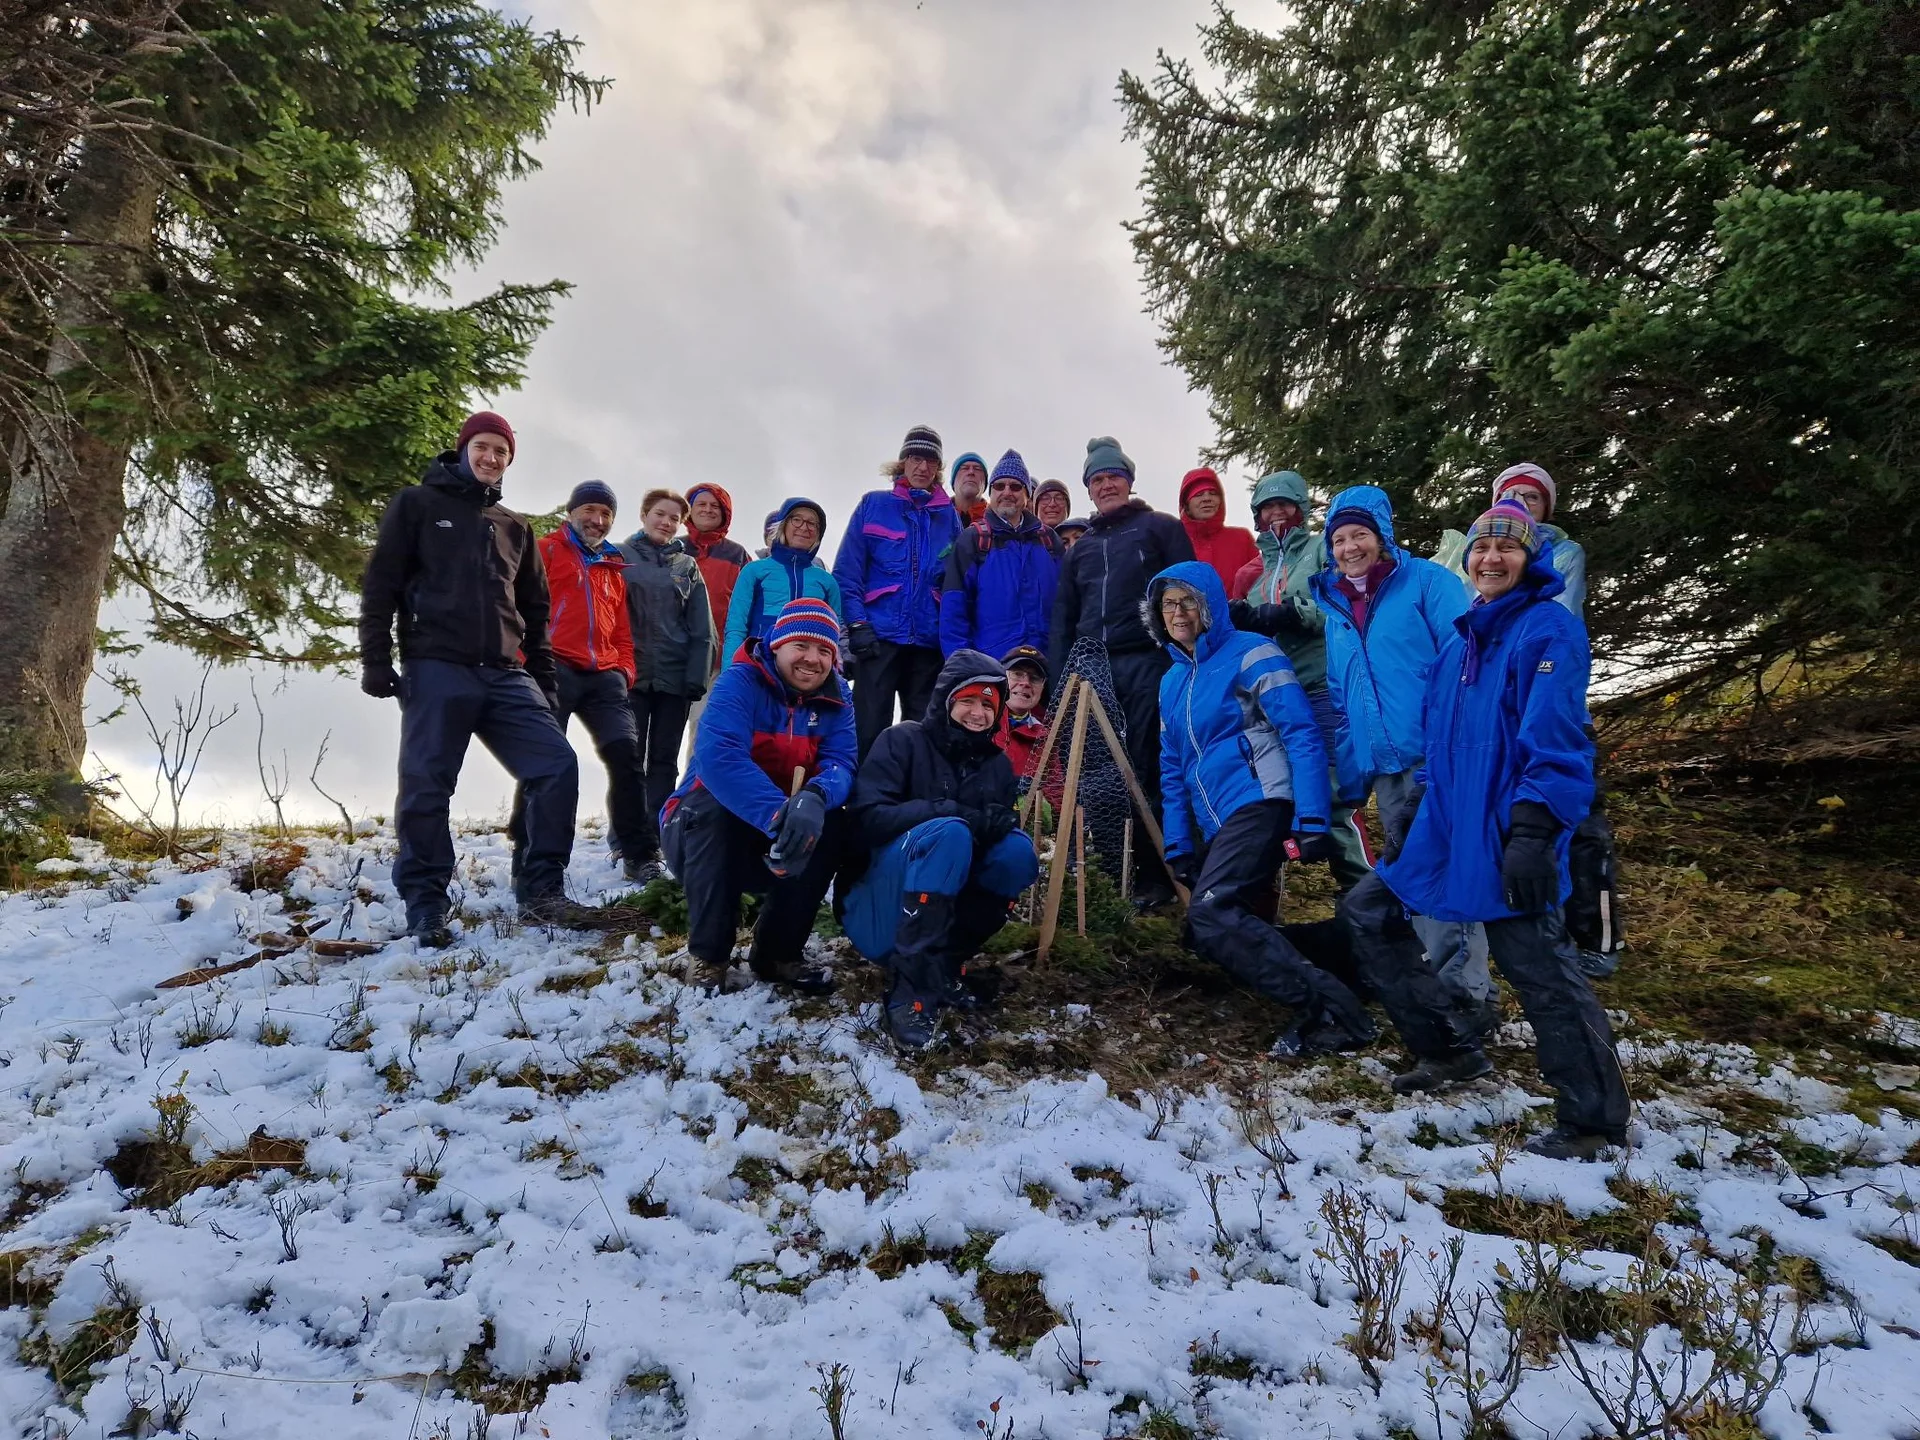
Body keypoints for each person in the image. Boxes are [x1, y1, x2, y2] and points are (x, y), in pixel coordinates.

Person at [1340, 499, 1630, 1160]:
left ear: (1530, 559)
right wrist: (1417, 823)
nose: (1492, 558)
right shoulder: (1459, 642)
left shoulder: (1547, 630)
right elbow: (1442, 747)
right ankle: (1448, 1050)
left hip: (1507, 828)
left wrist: (1532, 833)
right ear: (1468, 559)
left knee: (1540, 969)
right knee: (1368, 912)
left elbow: (1558, 745)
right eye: (1481, 548)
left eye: (1508, 547)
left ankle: (1594, 1120)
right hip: (1445, 825)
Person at [359, 411, 580, 943]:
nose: (491, 458)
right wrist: (375, 658)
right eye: (483, 446)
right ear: (463, 449)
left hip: (505, 673)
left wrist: (544, 683)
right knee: (427, 786)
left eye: (501, 452)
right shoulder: (416, 505)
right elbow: (381, 583)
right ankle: (427, 902)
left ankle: (541, 889)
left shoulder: (514, 526)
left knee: (556, 765)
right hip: (436, 666)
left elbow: (534, 610)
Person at [1148, 561, 1377, 1056]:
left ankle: (1335, 1011)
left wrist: (1312, 815)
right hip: (1218, 817)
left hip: (1262, 798)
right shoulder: (1171, 682)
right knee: (1203, 932)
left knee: (1214, 911)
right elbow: (1171, 767)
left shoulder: (1253, 652)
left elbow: (1301, 732)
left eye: (1189, 600)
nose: (1179, 612)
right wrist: (1179, 844)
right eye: (1169, 604)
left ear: (1209, 604)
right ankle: (1355, 957)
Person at [1308, 485, 1483, 999]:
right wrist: (1354, 773)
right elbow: (1342, 698)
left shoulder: (1428, 583)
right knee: (1415, 875)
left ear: (1382, 536)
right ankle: (1442, 986)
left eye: (1359, 534)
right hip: (1386, 767)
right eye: (1338, 539)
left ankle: (1465, 996)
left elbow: (1465, 667)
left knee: (1445, 874)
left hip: (1437, 756)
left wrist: (1446, 755)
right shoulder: (1337, 606)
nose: (1349, 548)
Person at [842, 651, 1039, 1049]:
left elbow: (986, 843)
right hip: (877, 907)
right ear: (946, 699)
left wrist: (997, 825)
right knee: (949, 833)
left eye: (988, 704)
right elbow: (868, 819)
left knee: (1016, 853)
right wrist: (952, 813)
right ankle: (909, 992)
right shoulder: (902, 740)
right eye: (967, 700)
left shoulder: (997, 766)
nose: (978, 712)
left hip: (941, 901)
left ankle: (945, 964)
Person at [660, 596, 855, 994]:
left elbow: (842, 762)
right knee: (712, 808)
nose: (812, 659)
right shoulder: (739, 681)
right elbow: (719, 758)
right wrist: (779, 815)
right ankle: (709, 956)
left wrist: (816, 797)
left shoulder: (838, 698)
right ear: (777, 644)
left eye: (823, 650)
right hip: (698, 829)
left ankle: (777, 953)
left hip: (775, 837)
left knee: (834, 824)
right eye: (801, 645)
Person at [1048, 435, 1195, 905]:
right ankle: (1118, 876)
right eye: (1097, 479)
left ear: (1129, 481)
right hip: (1092, 669)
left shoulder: (1160, 528)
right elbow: (1063, 622)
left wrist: (1189, 657)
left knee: (1150, 767)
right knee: (1100, 775)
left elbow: (1189, 593)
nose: (1106, 484)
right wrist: (1061, 680)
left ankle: (1160, 877)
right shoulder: (1079, 551)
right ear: (1089, 490)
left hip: (1150, 661)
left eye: (1114, 476)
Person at [1226, 471, 1371, 889]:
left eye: (1283, 505)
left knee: (1335, 795)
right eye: (1266, 507)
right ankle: (1262, 910)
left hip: (1321, 684)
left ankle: (1364, 907)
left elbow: (1344, 605)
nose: (1275, 513)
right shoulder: (1251, 573)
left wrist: (1295, 612)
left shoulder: (1323, 550)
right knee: (1273, 797)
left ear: (1301, 508)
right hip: (1271, 699)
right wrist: (1244, 622)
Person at [506, 480, 649, 885]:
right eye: (590, 510)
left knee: (626, 755)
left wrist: (624, 671)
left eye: (605, 515)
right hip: (553, 667)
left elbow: (622, 630)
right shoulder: (547, 550)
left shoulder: (613, 565)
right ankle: (528, 853)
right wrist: (526, 662)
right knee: (547, 763)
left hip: (605, 676)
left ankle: (639, 854)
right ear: (572, 512)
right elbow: (519, 609)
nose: (597, 520)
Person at [834, 424, 961, 756]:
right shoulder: (872, 505)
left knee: (922, 732)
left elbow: (957, 584)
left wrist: (950, 639)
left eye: (931, 461)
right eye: (916, 458)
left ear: (938, 469)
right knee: (868, 727)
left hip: (928, 644)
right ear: (902, 462)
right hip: (878, 638)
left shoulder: (949, 516)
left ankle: (911, 802)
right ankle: (860, 804)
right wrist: (857, 625)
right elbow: (847, 574)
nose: (923, 467)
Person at [616, 489, 712, 884]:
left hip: (674, 679)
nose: (666, 522)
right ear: (643, 514)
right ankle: (628, 841)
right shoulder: (620, 556)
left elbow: (702, 627)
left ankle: (655, 841)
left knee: (664, 762)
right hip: (631, 676)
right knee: (628, 761)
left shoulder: (687, 566)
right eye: (660, 514)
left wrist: (697, 677)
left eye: (674, 518)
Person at [939, 449, 1061, 659]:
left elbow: (1067, 606)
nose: (1007, 492)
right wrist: (963, 666)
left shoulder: (1049, 540)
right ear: (991, 493)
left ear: (1027, 495)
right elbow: (953, 610)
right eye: (999, 486)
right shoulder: (973, 539)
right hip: (992, 668)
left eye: (1015, 486)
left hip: (1046, 666)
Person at [724, 498, 842, 665]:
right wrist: (731, 671)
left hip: (807, 669)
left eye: (812, 523)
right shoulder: (754, 571)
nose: (804, 527)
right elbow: (736, 627)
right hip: (759, 664)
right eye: (796, 519)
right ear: (783, 525)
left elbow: (836, 632)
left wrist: (835, 672)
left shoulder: (827, 581)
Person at [682, 483, 753, 750]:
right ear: (689, 509)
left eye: (715, 506)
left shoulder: (737, 555)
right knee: (656, 736)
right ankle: (646, 794)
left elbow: (748, 606)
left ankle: (693, 792)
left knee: (703, 733)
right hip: (670, 657)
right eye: (701, 504)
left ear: (725, 513)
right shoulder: (671, 548)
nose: (708, 510)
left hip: (715, 662)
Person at [1180, 467, 1259, 596]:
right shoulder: (1175, 542)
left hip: (1236, 615)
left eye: (1213, 493)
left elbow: (1259, 585)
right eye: (1198, 494)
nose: (1207, 498)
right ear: (1186, 505)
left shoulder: (1241, 539)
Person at [997, 645, 1050, 783]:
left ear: (1043, 686)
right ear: (1000, 677)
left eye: (1034, 678)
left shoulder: (1046, 738)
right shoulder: (979, 722)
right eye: (1017, 674)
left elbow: (1055, 792)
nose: (1025, 683)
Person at [950, 451, 989, 524]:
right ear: (953, 481)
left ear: (985, 483)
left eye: (977, 469)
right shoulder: (933, 515)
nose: (971, 472)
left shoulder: (997, 520)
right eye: (964, 468)